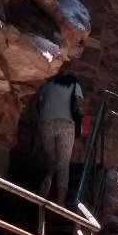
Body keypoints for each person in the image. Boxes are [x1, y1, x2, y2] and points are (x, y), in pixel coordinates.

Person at [37, 71, 83, 206]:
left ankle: (49, 177)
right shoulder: (74, 85)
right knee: (63, 164)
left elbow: (40, 105)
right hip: (66, 123)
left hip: (45, 122)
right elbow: (79, 105)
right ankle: (61, 202)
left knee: (51, 158)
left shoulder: (48, 85)